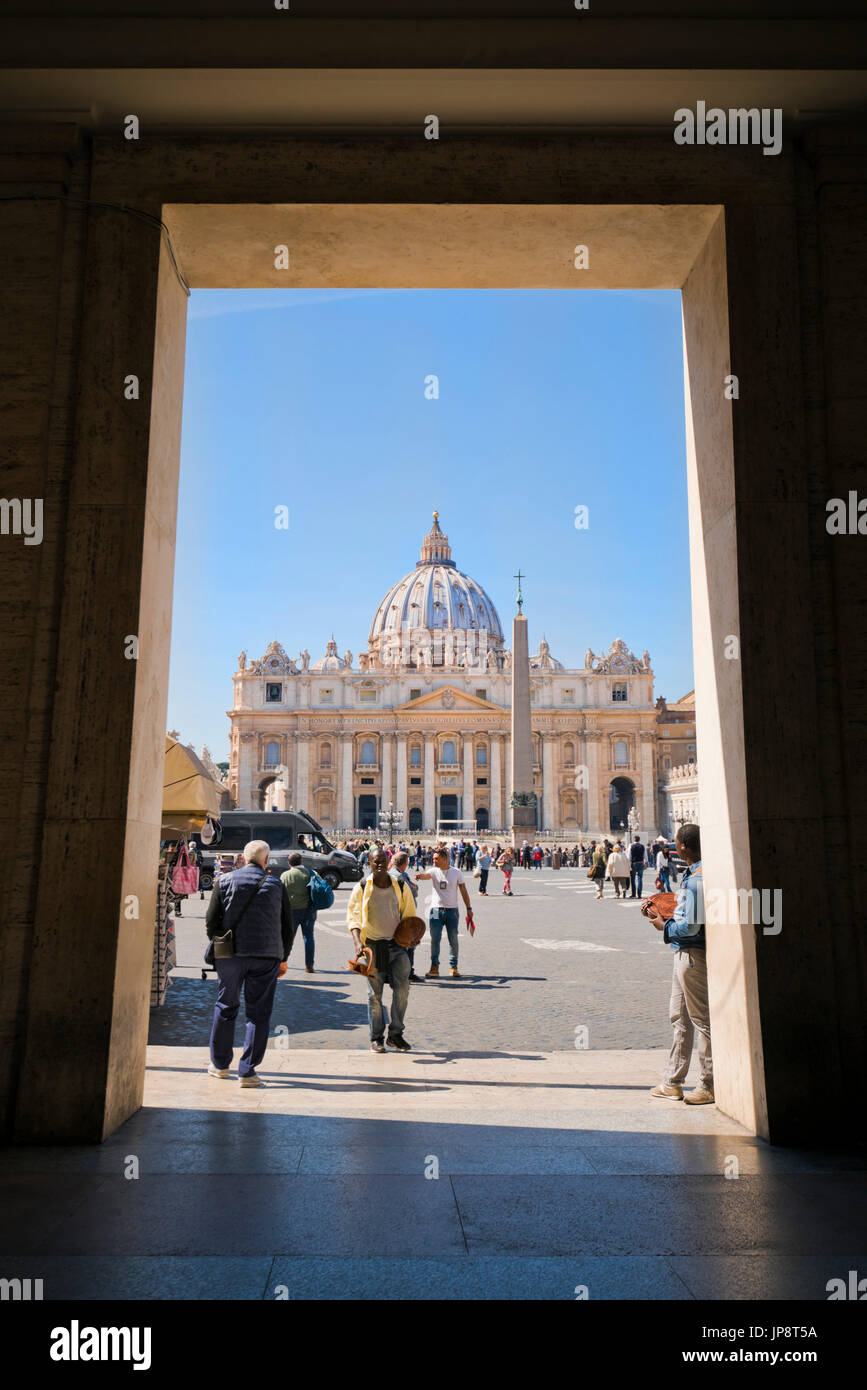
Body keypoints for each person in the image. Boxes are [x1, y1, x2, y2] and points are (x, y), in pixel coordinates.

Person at [205, 839, 294, 1088]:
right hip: (266, 957)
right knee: (258, 1013)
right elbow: (287, 927)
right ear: (266, 861)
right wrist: (283, 957)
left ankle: (220, 1065)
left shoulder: (224, 881)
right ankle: (248, 1071)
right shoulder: (277, 885)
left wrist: (220, 945)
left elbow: (211, 922)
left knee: (225, 1006)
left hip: (231, 956)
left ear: (243, 858)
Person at [644, 823, 713, 1105]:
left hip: (692, 954)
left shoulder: (697, 879)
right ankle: (673, 1081)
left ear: (682, 846)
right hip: (682, 953)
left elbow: (691, 927)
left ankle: (709, 1084)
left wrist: (662, 924)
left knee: (702, 1020)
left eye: (676, 842)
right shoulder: (692, 875)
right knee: (679, 1017)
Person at [347, 846, 419, 1052]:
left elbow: (409, 914)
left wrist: (413, 936)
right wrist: (357, 941)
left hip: (397, 947)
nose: (378, 865)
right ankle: (376, 1037)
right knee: (374, 996)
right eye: (374, 862)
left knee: (403, 991)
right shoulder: (361, 887)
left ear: (388, 862)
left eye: (381, 861)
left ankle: (395, 1034)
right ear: (369, 863)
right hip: (373, 947)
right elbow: (353, 917)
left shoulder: (401, 886)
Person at [417, 845, 474, 978]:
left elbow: (464, 891)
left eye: (436, 858)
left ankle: (453, 967)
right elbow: (426, 876)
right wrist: (420, 876)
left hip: (452, 911)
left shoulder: (456, 872)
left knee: (453, 940)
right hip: (436, 910)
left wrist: (469, 908)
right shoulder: (433, 871)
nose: (433, 860)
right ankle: (434, 967)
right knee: (434, 940)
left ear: (443, 858)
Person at [280, 852, 317, 973]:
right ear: (301, 861)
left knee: (289, 938)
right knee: (309, 937)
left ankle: (283, 962)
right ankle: (309, 965)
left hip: (291, 911)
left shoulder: (285, 875)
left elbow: (281, 894)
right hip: (308, 910)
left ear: (289, 863)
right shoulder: (310, 873)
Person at [391, 850, 423, 983]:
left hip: (393, 914)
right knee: (409, 944)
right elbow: (413, 891)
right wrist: (414, 887)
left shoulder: (391, 873)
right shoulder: (400, 876)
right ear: (406, 863)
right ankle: (407, 973)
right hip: (404, 915)